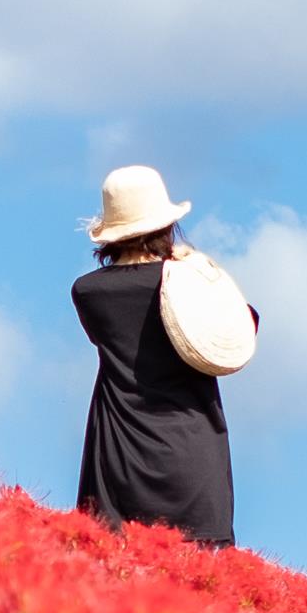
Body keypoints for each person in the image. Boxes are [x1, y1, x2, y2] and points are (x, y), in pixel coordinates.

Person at [71, 164, 248, 547]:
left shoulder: (88, 292)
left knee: (115, 585)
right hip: (193, 455)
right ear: (167, 225)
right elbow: (242, 325)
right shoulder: (192, 285)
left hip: (119, 459)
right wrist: (196, 267)